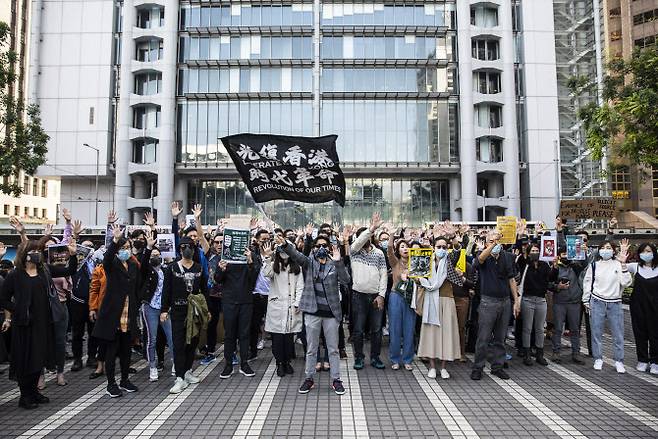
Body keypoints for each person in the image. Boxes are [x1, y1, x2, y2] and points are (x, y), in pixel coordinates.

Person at [0, 235, 78, 409]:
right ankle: (25, 396)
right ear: (24, 254)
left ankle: (35, 392)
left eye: (38, 251)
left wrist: (72, 255)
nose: (36, 254)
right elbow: (3, 299)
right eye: (32, 251)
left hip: (44, 323)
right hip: (25, 325)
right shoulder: (15, 275)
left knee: (39, 358)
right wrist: (18, 310)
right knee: (25, 360)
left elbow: (68, 271)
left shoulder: (44, 270)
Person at [276, 233, 350, 396]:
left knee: (333, 349)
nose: (321, 248)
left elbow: (346, 280)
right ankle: (309, 378)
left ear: (330, 248)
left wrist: (338, 262)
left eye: (324, 245)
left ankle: (336, 380)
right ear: (314, 249)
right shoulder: (309, 263)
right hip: (312, 312)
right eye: (317, 246)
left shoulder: (335, 263)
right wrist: (286, 245)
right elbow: (296, 255)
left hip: (331, 313)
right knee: (311, 348)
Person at [92, 224, 140, 398]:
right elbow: (106, 258)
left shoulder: (133, 266)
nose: (126, 251)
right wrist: (114, 240)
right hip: (113, 316)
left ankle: (125, 380)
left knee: (126, 351)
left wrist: (148, 248)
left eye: (128, 248)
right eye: (123, 248)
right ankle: (111, 383)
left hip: (128, 314)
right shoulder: (111, 265)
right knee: (111, 352)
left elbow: (139, 282)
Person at [161, 236, 209, 394]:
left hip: (194, 312)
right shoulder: (172, 268)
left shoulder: (198, 268)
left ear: (194, 249)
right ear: (179, 250)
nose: (187, 249)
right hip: (177, 311)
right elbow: (166, 290)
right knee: (178, 343)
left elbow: (204, 290)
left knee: (192, 342)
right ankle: (179, 377)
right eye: (183, 247)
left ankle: (188, 371)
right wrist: (163, 310)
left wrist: (206, 310)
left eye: (189, 246)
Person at [471, 231, 520, 381]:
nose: (495, 244)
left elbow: (511, 279)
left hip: (504, 301)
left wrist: (516, 300)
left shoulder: (506, 257)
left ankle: (497, 366)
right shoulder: (483, 257)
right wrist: (492, 244)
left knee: (500, 337)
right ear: (486, 244)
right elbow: (479, 259)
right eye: (491, 241)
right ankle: (477, 367)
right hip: (488, 302)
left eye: (497, 241)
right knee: (483, 337)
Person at [582, 240, 632, 373]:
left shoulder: (618, 264)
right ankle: (598, 358)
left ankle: (619, 361)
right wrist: (586, 300)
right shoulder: (594, 266)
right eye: (603, 247)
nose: (605, 250)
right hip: (597, 301)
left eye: (608, 247)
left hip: (615, 302)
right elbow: (588, 283)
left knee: (618, 333)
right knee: (596, 332)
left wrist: (623, 264)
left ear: (613, 250)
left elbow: (626, 282)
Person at [416, 237, 463, 379]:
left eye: (444, 247)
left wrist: (454, 240)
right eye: (439, 246)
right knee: (431, 333)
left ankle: (443, 367)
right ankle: (431, 366)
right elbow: (418, 279)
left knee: (446, 334)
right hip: (431, 300)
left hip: (446, 300)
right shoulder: (424, 260)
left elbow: (456, 252)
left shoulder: (448, 260)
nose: (441, 249)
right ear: (433, 247)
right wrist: (416, 279)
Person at [350, 212, 388, 370]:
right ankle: (359, 358)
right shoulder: (354, 251)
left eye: (368, 236)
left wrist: (381, 295)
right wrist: (371, 228)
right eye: (363, 237)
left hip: (375, 297)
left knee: (377, 329)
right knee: (358, 330)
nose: (365, 239)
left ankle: (375, 357)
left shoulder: (379, 253)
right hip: (358, 296)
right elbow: (357, 243)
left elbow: (384, 275)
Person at [261, 241, 304, 377]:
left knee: (289, 337)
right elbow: (266, 274)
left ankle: (287, 361)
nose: (284, 255)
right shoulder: (274, 266)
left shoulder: (297, 268)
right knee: (278, 338)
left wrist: (297, 303)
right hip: (277, 306)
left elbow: (300, 286)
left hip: (292, 307)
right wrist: (268, 257)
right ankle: (279, 362)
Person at [216, 243, 259, 379]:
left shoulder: (250, 256)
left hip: (246, 300)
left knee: (244, 334)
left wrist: (250, 262)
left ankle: (244, 363)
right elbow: (218, 279)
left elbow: (254, 279)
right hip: (229, 300)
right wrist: (221, 269)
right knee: (229, 334)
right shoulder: (225, 257)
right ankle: (228, 364)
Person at [140, 231, 176, 382]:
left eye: (157, 254)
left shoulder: (166, 270)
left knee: (171, 338)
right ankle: (153, 367)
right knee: (152, 339)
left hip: (164, 309)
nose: (155, 257)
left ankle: (176, 364)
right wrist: (148, 248)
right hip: (149, 308)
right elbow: (143, 263)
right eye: (152, 255)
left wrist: (167, 308)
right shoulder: (146, 271)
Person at [549, 246, 586, 364]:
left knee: (575, 329)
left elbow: (585, 263)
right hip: (559, 302)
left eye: (567, 254)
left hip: (574, 302)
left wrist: (582, 251)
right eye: (563, 254)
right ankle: (556, 352)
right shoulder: (555, 268)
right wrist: (558, 287)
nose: (566, 256)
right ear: (559, 256)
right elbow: (548, 283)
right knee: (558, 329)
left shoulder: (576, 267)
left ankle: (576, 353)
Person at [626, 242, 658, 374]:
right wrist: (622, 256)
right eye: (643, 251)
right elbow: (618, 268)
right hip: (638, 306)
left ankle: (655, 361)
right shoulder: (635, 267)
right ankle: (642, 360)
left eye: (649, 251)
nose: (646, 254)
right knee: (640, 334)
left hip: (655, 307)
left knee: (655, 334)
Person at [386, 233, 416, 371]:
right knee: (395, 329)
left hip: (411, 298)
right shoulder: (395, 262)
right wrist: (391, 235)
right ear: (398, 250)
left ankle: (408, 359)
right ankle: (395, 358)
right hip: (396, 296)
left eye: (407, 246)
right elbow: (389, 249)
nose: (405, 249)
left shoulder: (415, 263)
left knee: (409, 329)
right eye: (402, 247)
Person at [518, 244, 551, 366]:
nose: (535, 252)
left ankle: (539, 354)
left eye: (537, 250)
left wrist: (555, 266)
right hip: (527, 299)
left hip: (541, 300)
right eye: (532, 250)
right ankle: (527, 354)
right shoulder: (525, 264)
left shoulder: (545, 265)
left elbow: (550, 279)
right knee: (527, 328)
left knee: (540, 328)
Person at [70, 240, 99, 372]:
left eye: (91, 246)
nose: (89, 249)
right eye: (86, 246)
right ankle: (77, 359)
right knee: (77, 333)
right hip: (78, 302)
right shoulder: (76, 263)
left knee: (94, 332)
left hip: (94, 303)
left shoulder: (97, 262)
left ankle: (92, 357)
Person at [250, 230, 271, 361]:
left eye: (268, 239)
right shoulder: (252, 255)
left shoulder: (275, 255)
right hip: (256, 294)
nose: (266, 241)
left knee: (274, 324)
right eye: (263, 239)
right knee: (254, 324)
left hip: (272, 295)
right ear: (257, 241)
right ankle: (252, 351)